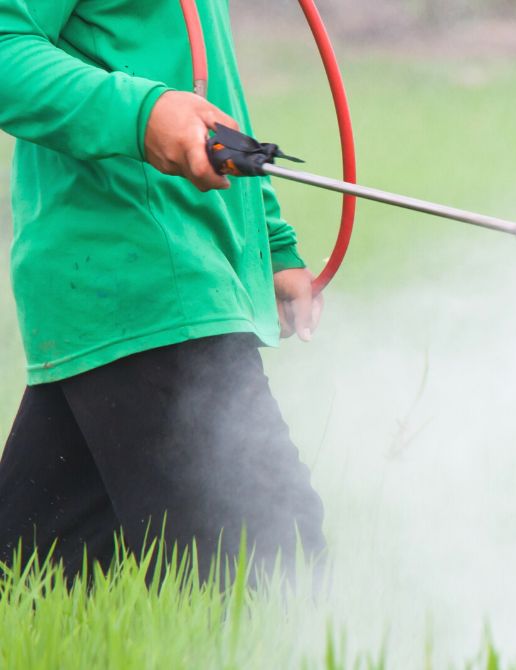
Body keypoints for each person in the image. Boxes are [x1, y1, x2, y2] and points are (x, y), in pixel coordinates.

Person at [0, 0, 326, 577]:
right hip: (142, 281)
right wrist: (142, 114)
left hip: (151, 291)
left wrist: (270, 242)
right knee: (275, 569)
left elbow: (198, 83)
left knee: (38, 586)